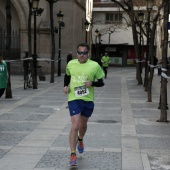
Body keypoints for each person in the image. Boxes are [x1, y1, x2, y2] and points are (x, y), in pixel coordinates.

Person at [63, 43, 105, 167]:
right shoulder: (71, 64)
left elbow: (101, 83)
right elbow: (67, 75)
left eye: (84, 53)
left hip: (87, 100)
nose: (82, 55)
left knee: (83, 125)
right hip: (74, 98)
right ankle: (72, 154)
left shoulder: (94, 65)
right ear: (77, 53)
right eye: (80, 53)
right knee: (75, 126)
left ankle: (80, 139)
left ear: (88, 53)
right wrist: (65, 86)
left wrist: (92, 83)